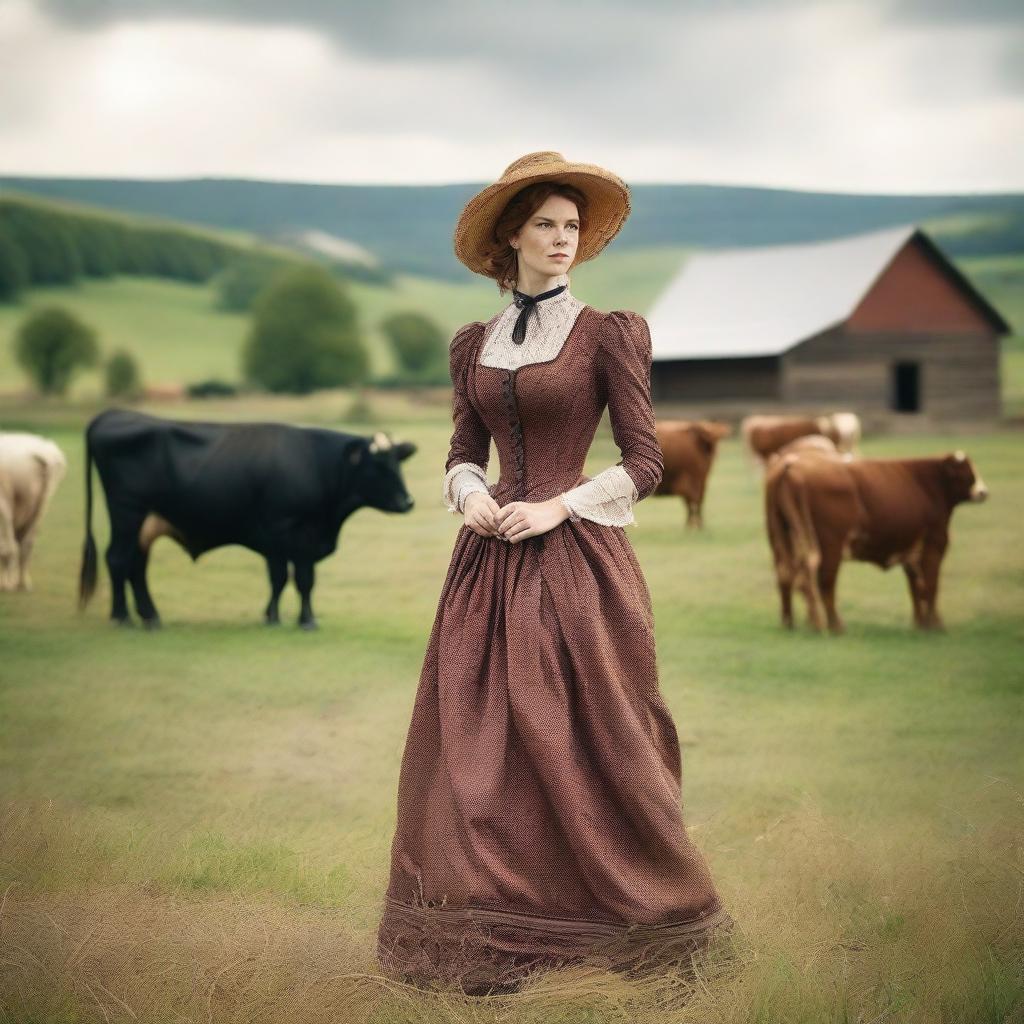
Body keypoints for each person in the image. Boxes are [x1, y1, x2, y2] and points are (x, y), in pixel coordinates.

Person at [376, 151, 732, 995]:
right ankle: (487, 950)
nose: (563, 239)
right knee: (474, 752)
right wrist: (470, 495)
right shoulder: (474, 343)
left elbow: (644, 462)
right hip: (487, 568)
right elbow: (464, 452)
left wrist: (557, 506)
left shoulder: (610, 333)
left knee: (595, 743)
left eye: (573, 226)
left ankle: (642, 932)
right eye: (546, 224)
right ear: (512, 236)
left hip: (577, 563)